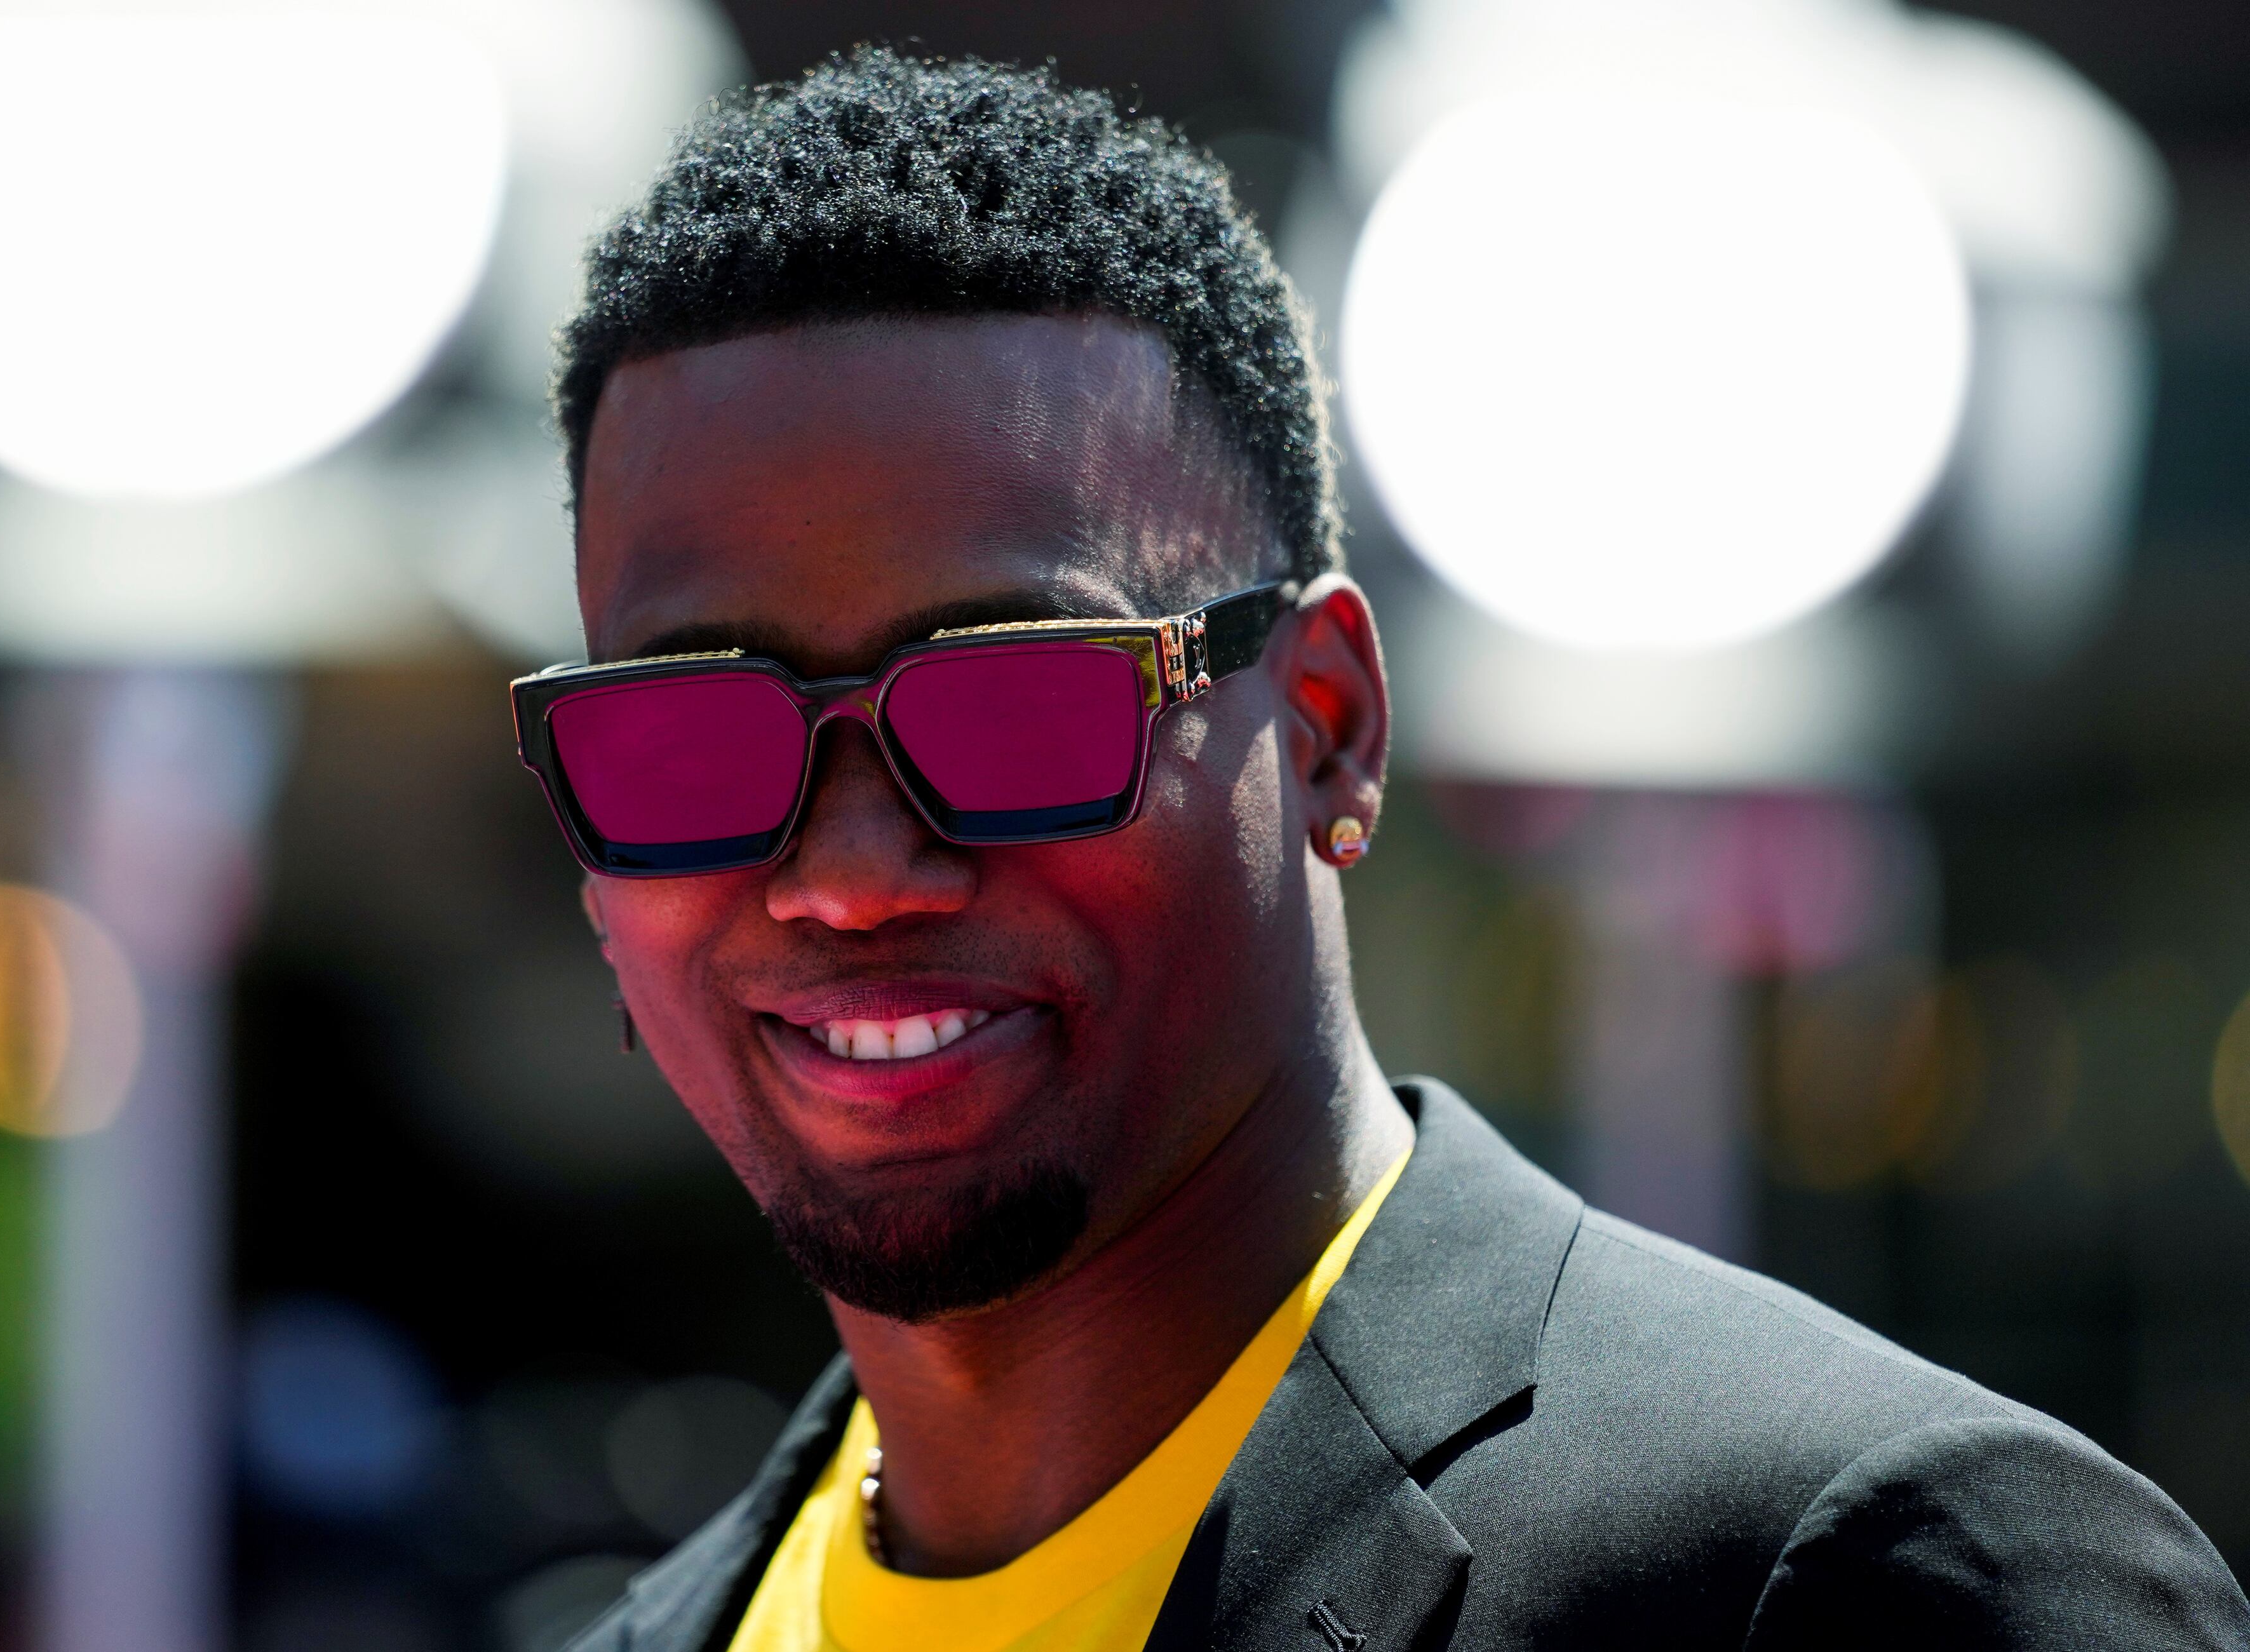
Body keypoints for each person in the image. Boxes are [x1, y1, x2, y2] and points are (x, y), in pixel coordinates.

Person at [511, 49, 2250, 1652]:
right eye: (687, 740)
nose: (853, 871)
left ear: (1328, 721)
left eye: (1019, 708)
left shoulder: (1864, 1577)